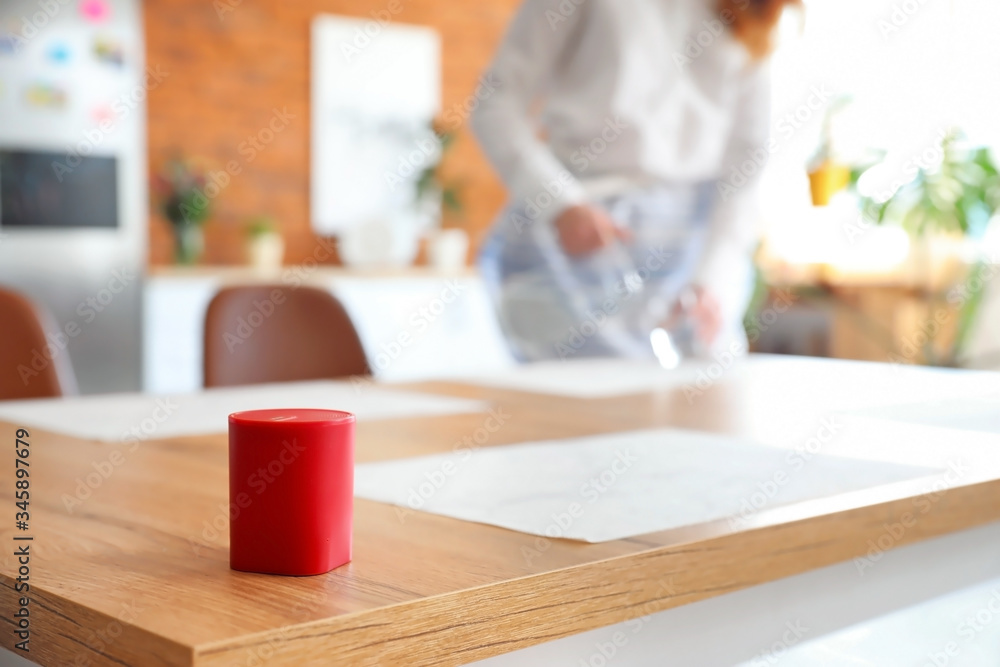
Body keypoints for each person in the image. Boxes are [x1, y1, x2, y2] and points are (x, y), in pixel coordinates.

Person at [472, 0, 799, 362]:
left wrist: (713, 277)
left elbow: (747, 160)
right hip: (573, 250)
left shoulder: (754, 10)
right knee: (578, 410)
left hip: (695, 256)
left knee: (703, 404)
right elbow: (495, 104)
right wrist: (559, 202)